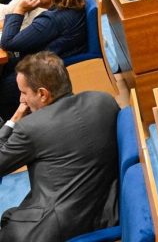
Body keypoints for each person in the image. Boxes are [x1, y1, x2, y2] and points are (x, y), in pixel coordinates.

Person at [0, 52, 119, 240]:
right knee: (11, 214)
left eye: (23, 92)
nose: (22, 100)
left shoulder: (30, 128)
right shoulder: (104, 100)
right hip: (109, 211)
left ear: (42, 94)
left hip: (56, 226)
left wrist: (14, 119)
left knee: (7, 224)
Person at [0, 0, 87, 119]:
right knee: (6, 66)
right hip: (51, 57)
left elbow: (8, 43)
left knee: (4, 89)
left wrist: (20, 10)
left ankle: (15, 127)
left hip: (45, 67)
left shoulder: (52, 19)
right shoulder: (69, 6)